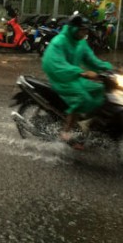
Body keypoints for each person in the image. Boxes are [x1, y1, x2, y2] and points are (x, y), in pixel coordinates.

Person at [42, 14, 113, 146]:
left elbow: (91, 59)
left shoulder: (80, 43)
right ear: (74, 29)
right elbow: (54, 64)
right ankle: (66, 132)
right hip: (61, 78)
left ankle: (88, 123)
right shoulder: (59, 42)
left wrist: (108, 68)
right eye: (82, 30)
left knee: (100, 90)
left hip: (75, 77)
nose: (85, 33)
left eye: (86, 30)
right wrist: (82, 73)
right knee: (81, 97)